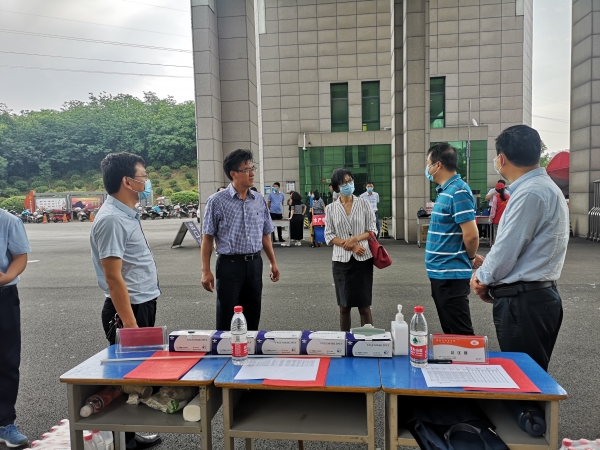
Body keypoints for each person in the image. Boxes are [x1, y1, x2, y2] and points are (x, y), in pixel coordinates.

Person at [470, 125, 569, 371]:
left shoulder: (530, 194)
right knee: (531, 374)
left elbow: (507, 249)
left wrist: (482, 278)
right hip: (535, 297)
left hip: (524, 301)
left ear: (502, 159)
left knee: (524, 378)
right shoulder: (545, 188)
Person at [90, 152, 162, 450]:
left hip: (141, 302)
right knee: (126, 373)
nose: (146, 181)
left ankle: (130, 434)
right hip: (127, 310)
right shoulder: (112, 220)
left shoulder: (127, 214)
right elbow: (113, 277)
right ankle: (124, 440)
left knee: (138, 372)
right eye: (142, 176)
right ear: (127, 181)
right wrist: (131, 326)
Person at [200, 149, 280, 330]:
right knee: (227, 316)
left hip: (254, 264)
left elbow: (265, 234)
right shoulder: (216, 201)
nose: (252, 173)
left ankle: (249, 347)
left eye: (252, 168)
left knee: (252, 315)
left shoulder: (258, 200)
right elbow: (207, 238)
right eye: (246, 170)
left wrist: (273, 262)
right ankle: (225, 348)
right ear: (233, 173)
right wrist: (205, 271)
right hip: (229, 265)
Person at [424, 143, 481, 336]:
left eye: (428, 164)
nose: (427, 169)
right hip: (441, 273)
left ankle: (468, 358)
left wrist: (470, 258)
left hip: (450, 274)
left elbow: (471, 235)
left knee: (461, 334)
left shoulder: (458, 191)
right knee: (450, 332)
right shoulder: (446, 191)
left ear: (438, 165)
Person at [325, 168, 378, 331]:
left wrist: (355, 240)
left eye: (350, 181)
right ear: (336, 187)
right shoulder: (331, 208)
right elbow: (328, 235)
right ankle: (344, 340)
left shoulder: (364, 203)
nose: (348, 185)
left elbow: (372, 230)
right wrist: (349, 245)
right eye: (343, 183)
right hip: (341, 262)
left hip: (363, 259)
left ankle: (368, 340)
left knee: (364, 306)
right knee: (344, 306)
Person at [0, 209, 31, 448]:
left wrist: (6, 277)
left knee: (7, 360)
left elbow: (20, 256)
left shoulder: (8, 221)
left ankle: (5, 423)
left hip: (3, 295)